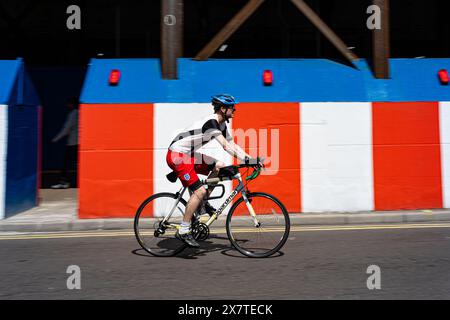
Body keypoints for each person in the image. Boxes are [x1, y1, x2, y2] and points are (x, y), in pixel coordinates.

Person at [166, 94, 262, 247]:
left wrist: (252, 159)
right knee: (199, 191)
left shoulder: (221, 125)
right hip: (177, 155)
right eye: (232, 107)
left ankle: (202, 205)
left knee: (220, 166)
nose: (235, 110)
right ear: (223, 109)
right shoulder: (211, 123)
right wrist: (247, 161)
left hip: (188, 154)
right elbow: (225, 146)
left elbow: (233, 145)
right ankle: (184, 229)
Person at [51, 97, 79, 189]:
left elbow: (66, 129)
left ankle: (64, 182)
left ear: (72, 104)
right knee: (75, 163)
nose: (67, 105)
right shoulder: (80, 113)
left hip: (72, 144)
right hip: (77, 143)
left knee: (66, 164)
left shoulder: (73, 114)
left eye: (68, 104)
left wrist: (55, 139)